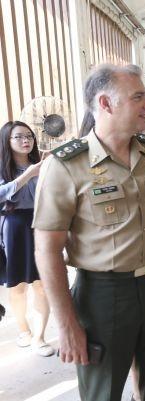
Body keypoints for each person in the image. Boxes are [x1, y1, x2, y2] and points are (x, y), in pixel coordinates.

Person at [33, 64, 145, 401]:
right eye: (138, 96)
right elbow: (47, 250)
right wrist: (65, 324)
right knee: (102, 392)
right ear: (106, 104)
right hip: (102, 296)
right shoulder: (66, 165)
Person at [0, 121, 54, 357]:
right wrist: (30, 174)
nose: (26, 140)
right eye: (19, 137)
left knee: (42, 284)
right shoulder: (3, 168)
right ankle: (24, 331)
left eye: (29, 136)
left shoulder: (43, 163)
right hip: (13, 226)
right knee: (18, 286)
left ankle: (40, 336)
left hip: (41, 224)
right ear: (7, 141)